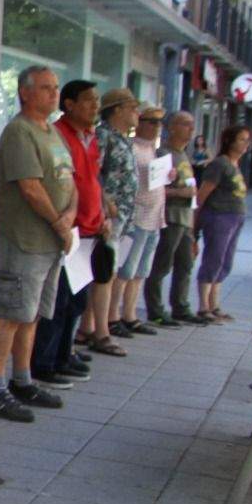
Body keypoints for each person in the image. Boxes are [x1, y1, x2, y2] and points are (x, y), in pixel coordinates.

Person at [0, 66, 74, 423]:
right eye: (46, 88)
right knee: (10, 314)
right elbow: (31, 188)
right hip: (26, 239)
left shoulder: (51, 131)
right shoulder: (20, 132)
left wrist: (69, 217)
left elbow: (70, 180)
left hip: (51, 241)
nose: (54, 94)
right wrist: (58, 223)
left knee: (31, 315)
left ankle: (22, 380)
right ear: (25, 92)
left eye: (55, 88)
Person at [32, 80, 104, 385]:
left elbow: (91, 182)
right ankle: (45, 363)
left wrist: (103, 214)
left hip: (88, 229)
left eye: (96, 101)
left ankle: (64, 354)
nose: (95, 106)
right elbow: (61, 184)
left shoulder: (91, 137)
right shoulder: (57, 135)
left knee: (76, 300)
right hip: (66, 230)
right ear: (70, 104)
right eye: (88, 100)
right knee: (57, 300)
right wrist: (64, 222)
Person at [83, 87, 139, 356]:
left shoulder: (122, 138)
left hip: (121, 218)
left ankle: (87, 326)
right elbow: (93, 173)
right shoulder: (104, 136)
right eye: (132, 107)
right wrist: (106, 204)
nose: (136, 113)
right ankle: (100, 332)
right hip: (107, 218)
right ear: (117, 109)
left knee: (106, 271)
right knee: (104, 273)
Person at [109, 105, 170, 337]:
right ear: (140, 123)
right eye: (152, 122)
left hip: (155, 216)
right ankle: (113, 315)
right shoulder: (132, 147)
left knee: (140, 271)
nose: (156, 127)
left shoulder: (155, 150)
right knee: (125, 270)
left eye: (159, 123)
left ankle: (130, 315)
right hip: (136, 216)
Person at [145, 111, 205, 326]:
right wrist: (181, 193)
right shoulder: (163, 154)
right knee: (162, 264)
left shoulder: (184, 155)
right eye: (185, 124)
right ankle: (156, 309)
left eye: (192, 124)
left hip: (186, 218)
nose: (191, 129)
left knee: (186, 264)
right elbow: (156, 190)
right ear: (172, 127)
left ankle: (180, 306)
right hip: (170, 217)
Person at [195, 124, 251, 322]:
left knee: (225, 261)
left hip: (235, 217)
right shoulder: (220, 164)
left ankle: (214, 304)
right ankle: (203, 306)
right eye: (242, 139)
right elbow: (202, 195)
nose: (246, 144)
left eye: (247, 139)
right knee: (214, 259)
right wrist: (195, 225)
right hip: (219, 217)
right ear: (230, 141)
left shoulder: (235, 165)